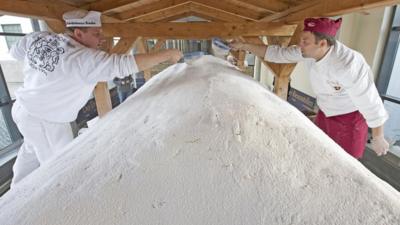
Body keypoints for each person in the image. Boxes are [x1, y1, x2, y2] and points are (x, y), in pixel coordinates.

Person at [9, 9, 183, 187]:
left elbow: (15, 52)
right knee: (57, 169)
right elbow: (123, 65)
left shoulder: (41, 37)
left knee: (30, 151)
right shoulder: (83, 58)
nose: (102, 39)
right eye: (96, 34)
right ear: (78, 33)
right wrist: (167, 54)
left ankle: (14, 193)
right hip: (46, 120)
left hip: (23, 110)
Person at [230, 17, 389, 159]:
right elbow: (277, 54)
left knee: (346, 161)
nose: (300, 45)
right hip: (325, 111)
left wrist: (378, 136)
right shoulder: (309, 51)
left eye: (305, 41)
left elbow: (370, 101)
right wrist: (244, 45)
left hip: (349, 116)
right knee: (323, 152)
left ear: (322, 44)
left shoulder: (348, 64)